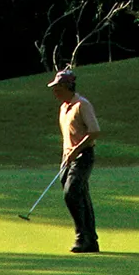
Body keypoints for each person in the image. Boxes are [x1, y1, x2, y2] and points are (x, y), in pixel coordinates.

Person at [50, 66, 100, 253]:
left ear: (66, 87)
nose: (54, 91)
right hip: (68, 158)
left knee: (72, 193)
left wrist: (76, 150)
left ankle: (83, 237)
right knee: (80, 196)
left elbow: (94, 132)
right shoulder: (63, 108)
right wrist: (66, 156)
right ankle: (91, 240)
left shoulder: (82, 105)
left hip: (83, 155)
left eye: (57, 87)